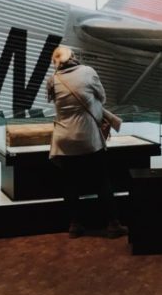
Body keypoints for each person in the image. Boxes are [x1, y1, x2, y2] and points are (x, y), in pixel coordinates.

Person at [46, 46, 127, 239]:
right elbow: (103, 97)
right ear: (73, 56)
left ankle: (75, 225)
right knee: (102, 181)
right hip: (88, 138)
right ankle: (113, 224)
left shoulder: (53, 80)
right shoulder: (88, 72)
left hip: (64, 139)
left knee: (70, 183)